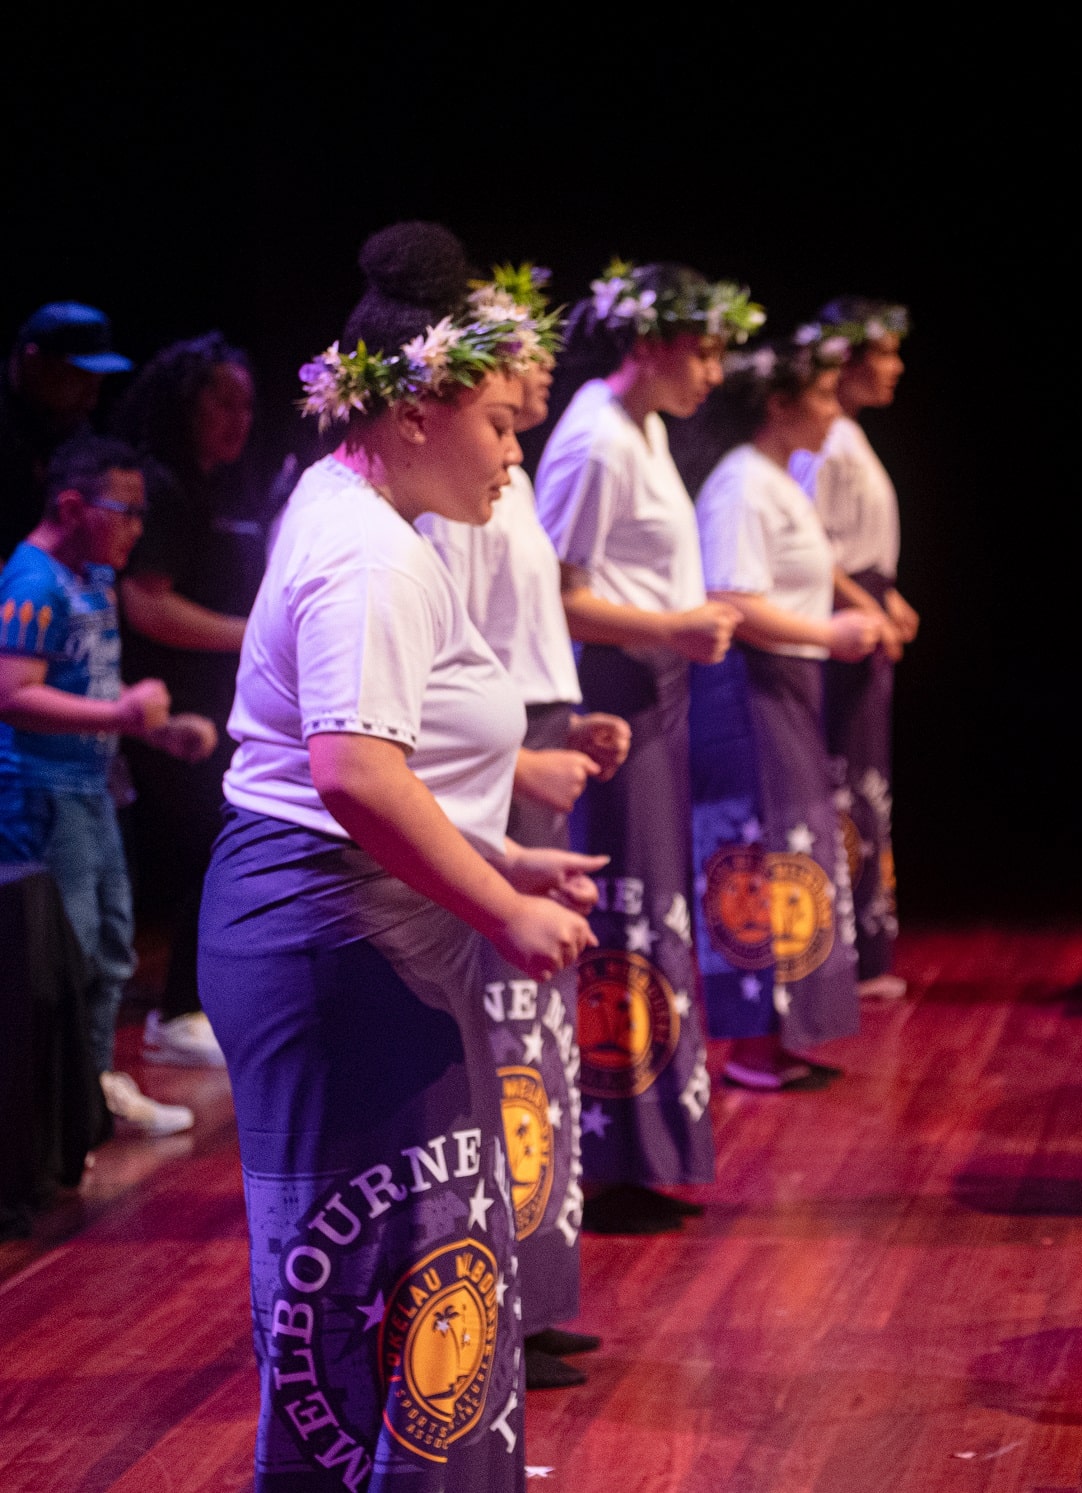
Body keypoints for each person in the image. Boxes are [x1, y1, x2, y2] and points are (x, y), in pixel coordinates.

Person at [198, 221, 602, 1487]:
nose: (513, 449)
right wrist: (497, 902)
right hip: (331, 930)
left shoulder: (356, 504)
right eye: (496, 420)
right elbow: (354, 775)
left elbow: (366, 774)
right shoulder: (370, 554)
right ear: (416, 410)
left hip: (343, 914)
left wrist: (494, 854)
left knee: (411, 1249)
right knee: (366, 1262)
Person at [415, 263, 625, 1391]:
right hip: (483, 765)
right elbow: (453, 665)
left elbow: (520, 636)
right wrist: (515, 755)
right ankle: (498, 1298)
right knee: (503, 1042)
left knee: (537, 1048)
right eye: (518, 353)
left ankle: (534, 1291)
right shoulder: (455, 501)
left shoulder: (515, 472)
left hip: (531, 730)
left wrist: (567, 713)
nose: (543, 364)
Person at [537, 259, 759, 1235]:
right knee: (621, 913)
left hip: (655, 684)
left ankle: (642, 1148)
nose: (713, 370)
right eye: (702, 347)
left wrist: (681, 622)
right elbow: (552, 589)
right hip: (612, 690)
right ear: (647, 341)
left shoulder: (646, 428)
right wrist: (668, 628)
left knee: (652, 912)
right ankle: (603, 1152)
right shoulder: (593, 440)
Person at [677, 331, 886, 1091]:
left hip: (788, 684)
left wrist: (861, 608)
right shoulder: (740, 483)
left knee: (794, 849)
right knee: (757, 853)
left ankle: (784, 1032)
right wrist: (829, 633)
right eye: (823, 396)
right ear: (778, 404)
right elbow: (733, 600)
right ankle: (752, 1044)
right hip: (750, 686)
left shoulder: (774, 478)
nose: (835, 411)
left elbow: (811, 568)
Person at [0, 436, 215, 1139]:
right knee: (67, 951)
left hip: (92, 789)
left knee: (113, 942)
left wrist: (155, 728)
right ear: (71, 505)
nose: (137, 527)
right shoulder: (33, 582)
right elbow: (13, 693)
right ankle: (58, 1108)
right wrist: (120, 715)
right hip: (43, 791)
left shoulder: (90, 577)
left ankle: (90, 1091)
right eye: (123, 511)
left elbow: (84, 681)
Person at [111, 332, 268, 1068]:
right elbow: (146, 606)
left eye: (248, 405)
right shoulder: (161, 487)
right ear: (186, 402)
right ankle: (173, 1011)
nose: (239, 420)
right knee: (189, 852)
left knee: (209, 845)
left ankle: (191, 1003)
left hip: (205, 707)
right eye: (222, 402)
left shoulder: (218, 488)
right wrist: (256, 634)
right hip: (156, 710)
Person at [789, 298, 912, 1000]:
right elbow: (813, 549)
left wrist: (887, 598)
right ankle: (847, 946)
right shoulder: (826, 441)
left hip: (865, 610)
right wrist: (869, 604)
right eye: (885, 355)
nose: (894, 369)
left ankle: (868, 940)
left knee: (867, 783)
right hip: (840, 621)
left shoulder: (849, 435)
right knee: (845, 781)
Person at [1, 303, 133, 550]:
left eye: (98, 385)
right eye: (80, 379)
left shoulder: (73, 426)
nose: (92, 401)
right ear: (34, 362)